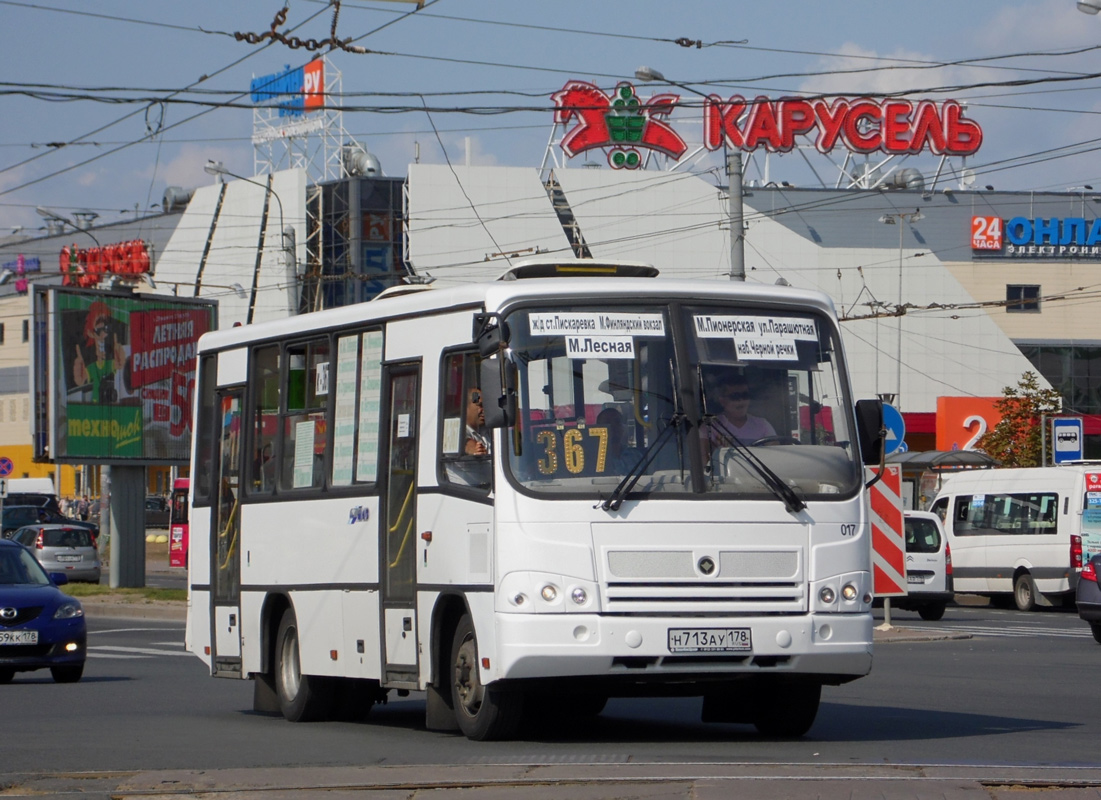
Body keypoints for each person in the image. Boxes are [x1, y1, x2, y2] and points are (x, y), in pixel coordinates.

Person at [702, 373, 776, 446]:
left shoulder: (763, 425)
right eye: (735, 396)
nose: (741, 401)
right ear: (722, 401)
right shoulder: (711, 426)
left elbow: (776, 454)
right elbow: (705, 455)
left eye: (745, 395)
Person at [595, 407, 643, 473]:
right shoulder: (594, 458)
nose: (613, 426)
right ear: (597, 429)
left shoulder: (636, 456)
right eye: (607, 423)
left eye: (617, 422)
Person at [464, 387, 490, 456]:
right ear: (466, 407)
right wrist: (474, 449)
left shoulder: (488, 430)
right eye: (480, 406)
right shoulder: (457, 431)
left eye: (486, 407)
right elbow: (464, 443)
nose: (484, 411)